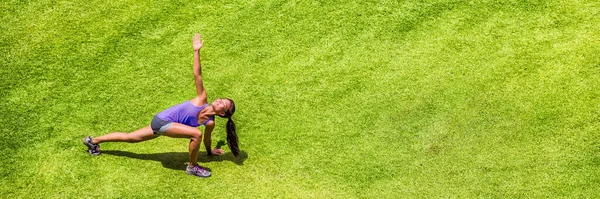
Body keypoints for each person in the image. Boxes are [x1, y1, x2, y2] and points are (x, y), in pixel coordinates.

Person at [83, 34, 239, 178]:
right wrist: (196, 52)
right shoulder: (201, 98)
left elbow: (207, 139)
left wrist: (210, 152)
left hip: (165, 125)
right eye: (221, 99)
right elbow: (197, 74)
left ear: (222, 114)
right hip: (161, 121)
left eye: (222, 104)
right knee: (195, 134)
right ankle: (192, 167)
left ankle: (93, 141)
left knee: (130, 137)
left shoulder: (210, 122)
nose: (219, 101)